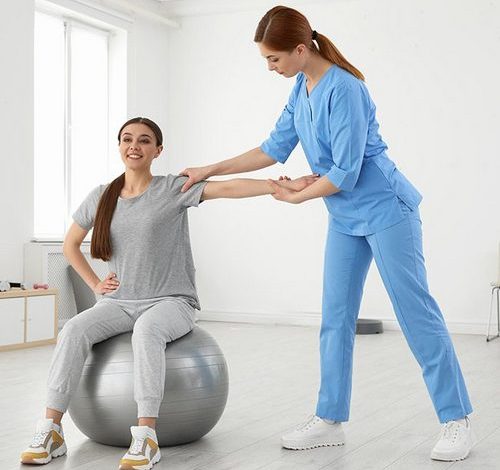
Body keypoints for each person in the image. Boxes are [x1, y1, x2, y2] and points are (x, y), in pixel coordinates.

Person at [180, 5, 474, 462]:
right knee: (336, 317)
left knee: (415, 312)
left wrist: (298, 196)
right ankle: (330, 419)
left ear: (300, 49)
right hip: (344, 215)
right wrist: (208, 169)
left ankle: (456, 420)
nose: (269, 67)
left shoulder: (347, 88)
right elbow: (272, 148)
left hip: (386, 208)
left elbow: (346, 171)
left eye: (273, 58)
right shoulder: (301, 87)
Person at [20, 117, 317, 469]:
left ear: (158, 150)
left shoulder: (172, 188)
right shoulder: (101, 196)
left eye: (144, 140)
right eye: (127, 139)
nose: (135, 146)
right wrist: (96, 285)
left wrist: (277, 186)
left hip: (172, 301)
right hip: (120, 302)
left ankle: (146, 436)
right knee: (72, 329)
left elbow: (226, 188)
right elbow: (70, 244)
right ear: (119, 146)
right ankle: (51, 429)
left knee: (147, 331)